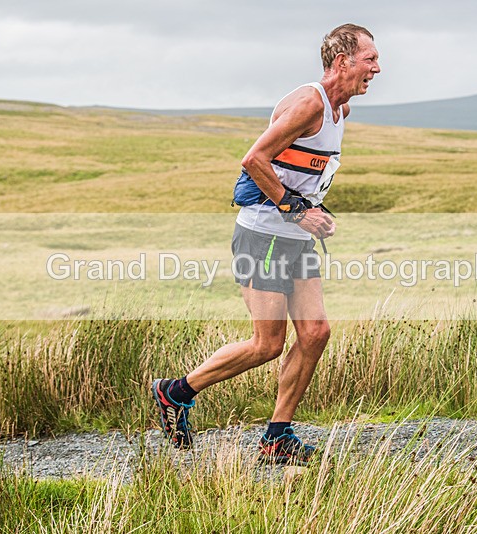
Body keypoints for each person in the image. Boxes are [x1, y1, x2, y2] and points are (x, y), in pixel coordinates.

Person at [153, 23, 380, 464]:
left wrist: (316, 214)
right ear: (342, 62)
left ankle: (277, 437)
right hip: (263, 234)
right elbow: (254, 159)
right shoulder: (309, 103)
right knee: (267, 344)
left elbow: (301, 171)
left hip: (294, 237)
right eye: (370, 59)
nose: (377, 68)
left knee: (315, 333)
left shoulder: (341, 110)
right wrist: (297, 210)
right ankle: (175, 392)